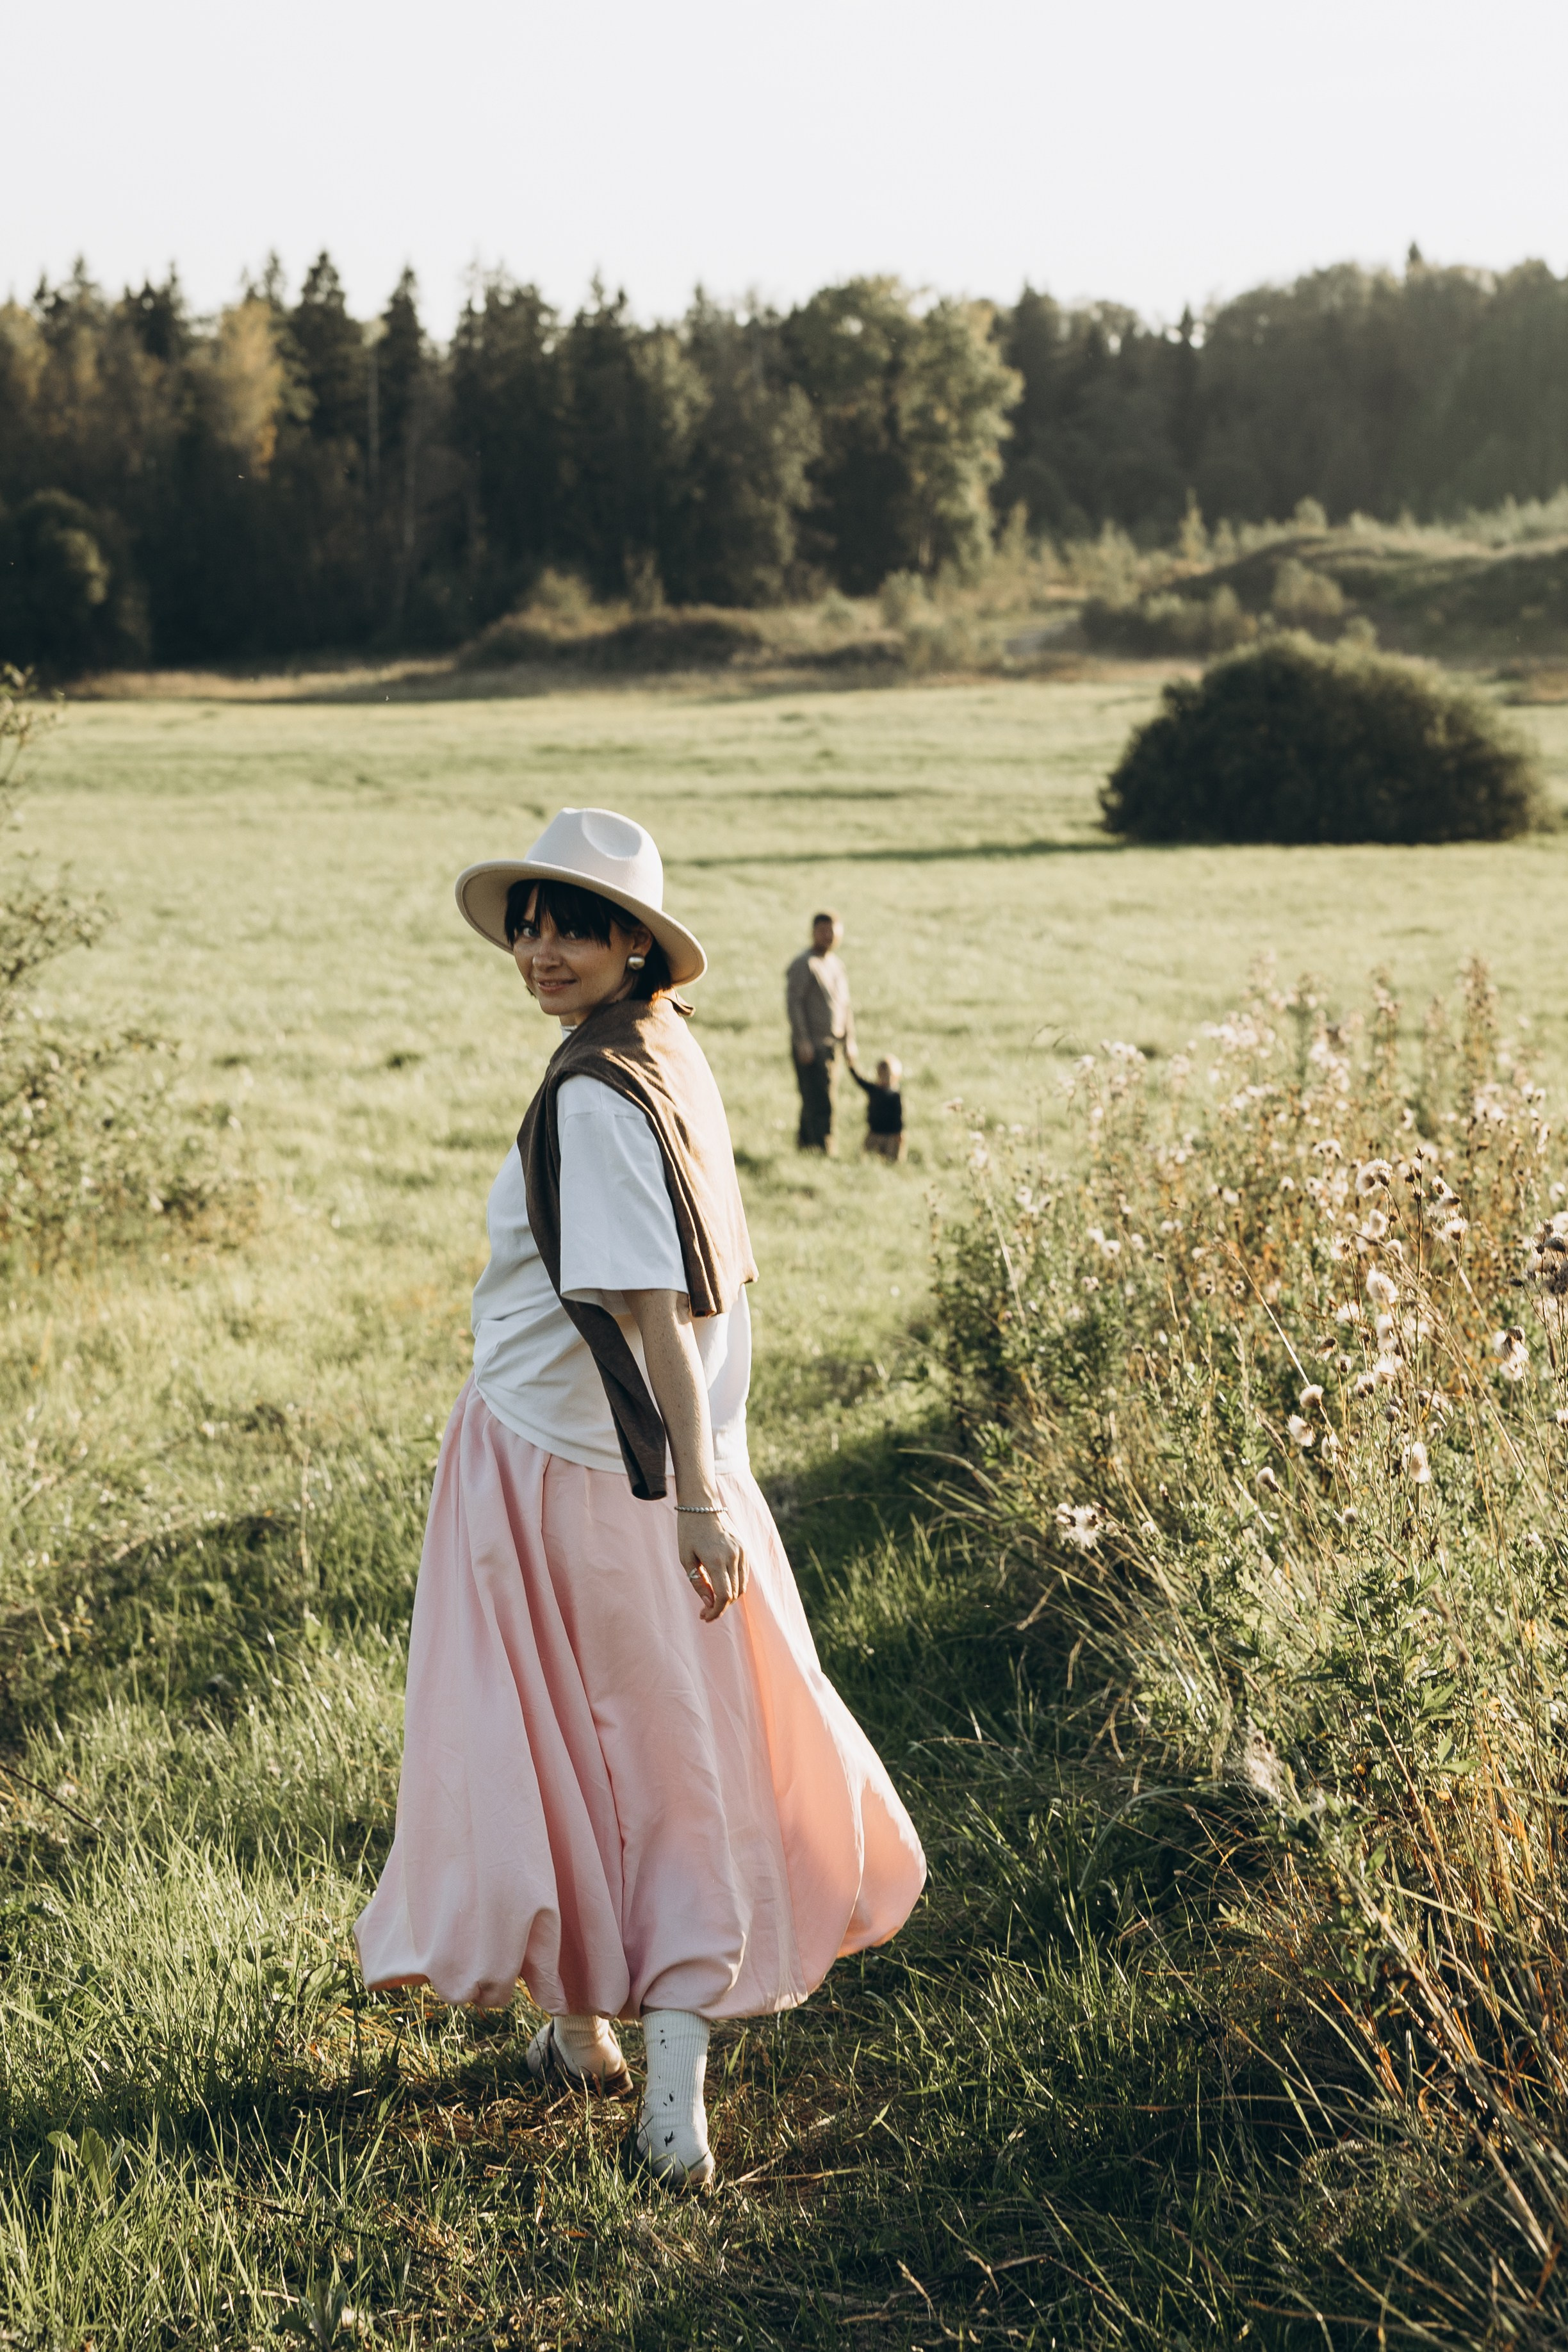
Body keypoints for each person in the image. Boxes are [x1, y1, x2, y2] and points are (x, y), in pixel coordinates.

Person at [355, 807, 925, 2193]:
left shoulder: (599, 1093)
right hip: (613, 1460)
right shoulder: (660, 1054)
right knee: (598, 1751)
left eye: (576, 925)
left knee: (629, 1763)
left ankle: (670, 2093)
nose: (543, 950)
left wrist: (688, 1500)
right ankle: (583, 2037)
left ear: (635, 946)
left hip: (587, 1473)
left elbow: (654, 1311)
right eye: (530, 924)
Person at [785, 911, 855, 1154]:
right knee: (820, 1101)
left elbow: (845, 1006)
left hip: (832, 1044)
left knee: (818, 1097)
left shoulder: (837, 964)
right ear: (813, 932)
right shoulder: (805, 964)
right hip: (812, 1044)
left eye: (833, 931)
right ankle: (823, 1150)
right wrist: (802, 1040)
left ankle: (805, 1149)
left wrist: (850, 1042)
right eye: (824, 930)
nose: (829, 936)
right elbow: (794, 1003)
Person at [851, 1054, 906, 1162]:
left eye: (887, 1075)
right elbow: (860, 1080)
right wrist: (852, 1067)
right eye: (881, 1075)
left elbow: (899, 1115)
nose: (884, 1078)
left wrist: (899, 1133)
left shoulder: (895, 1095)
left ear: (895, 1077)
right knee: (864, 1157)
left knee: (891, 1160)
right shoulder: (874, 1090)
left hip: (890, 1135)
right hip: (874, 1132)